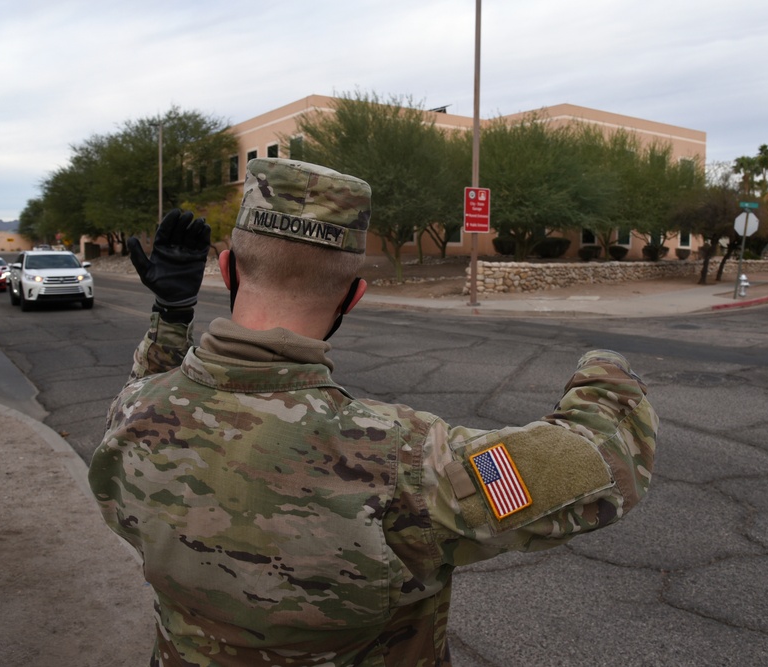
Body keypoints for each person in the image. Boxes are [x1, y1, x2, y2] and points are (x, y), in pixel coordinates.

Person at [88, 158, 658, 667]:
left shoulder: (139, 415)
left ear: (230, 269)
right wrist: (605, 370)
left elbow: (147, 387)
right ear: (353, 295)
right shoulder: (402, 460)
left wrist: (171, 312)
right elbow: (604, 459)